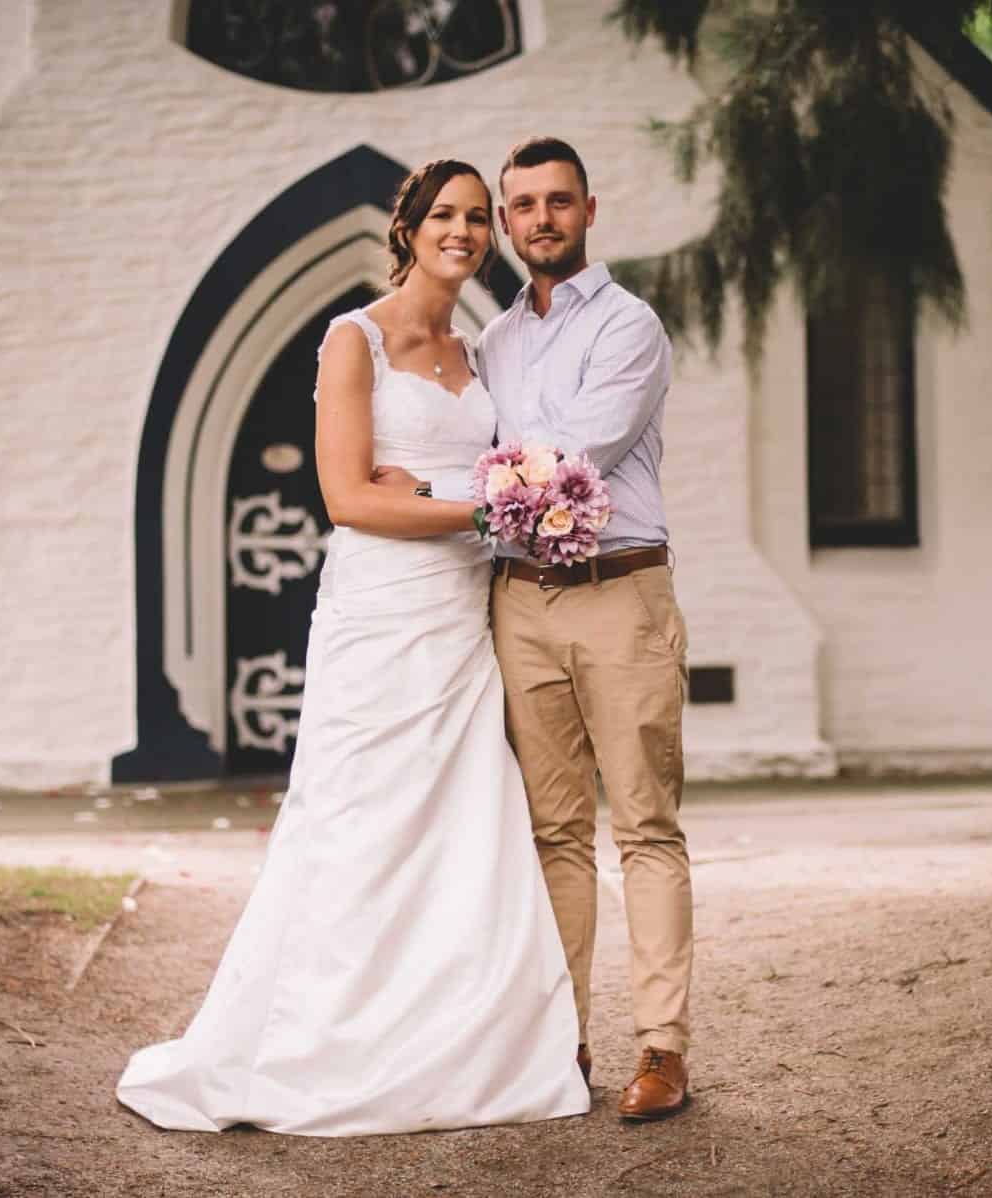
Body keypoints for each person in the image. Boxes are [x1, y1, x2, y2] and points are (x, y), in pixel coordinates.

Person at [115, 159, 590, 1136]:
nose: (461, 232)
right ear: (409, 228)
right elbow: (346, 499)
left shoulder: (479, 354)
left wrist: (490, 499)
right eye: (443, 216)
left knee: (461, 816)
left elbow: (490, 458)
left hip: (463, 613)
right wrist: (485, 509)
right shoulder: (352, 339)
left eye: (473, 218)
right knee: (361, 813)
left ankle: (460, 1039)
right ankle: (323, 1038)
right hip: (380, 615)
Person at [381, 136, 695, 1122]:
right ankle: (565, 1046)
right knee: (554, 832)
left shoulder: (630, 326)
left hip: (620, 589)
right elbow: (490, 448)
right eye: (520, 207)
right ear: (506, 224)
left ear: (589, 212)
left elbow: (569, 459)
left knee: (644, 826)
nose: (538, 220)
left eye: (558, 202)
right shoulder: (497, 341)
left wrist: (424, 487)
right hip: (520, 600)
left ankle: (663, 1048)